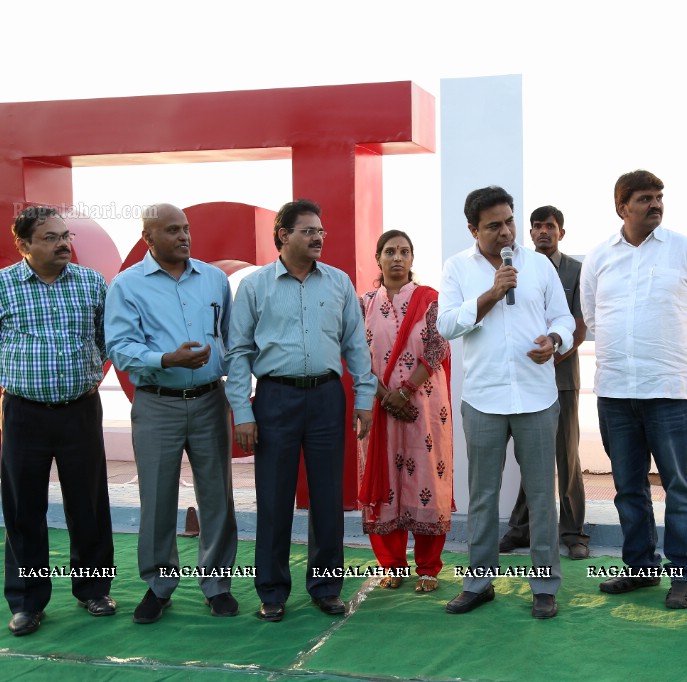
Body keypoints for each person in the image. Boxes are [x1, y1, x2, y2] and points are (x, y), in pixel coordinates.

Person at [226, 199, 374, 622]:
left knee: (328, 498)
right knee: (274, 499)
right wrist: (243, 411)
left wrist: (364, 399)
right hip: (274, 399)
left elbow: (355, 347)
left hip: (328, 398)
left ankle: (326, 588)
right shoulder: (255, 287)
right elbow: (239, 352)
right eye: (308, 230)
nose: (317, 237)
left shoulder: (339, 283)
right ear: (282, 235)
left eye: (321, 231)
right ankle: (272, 592)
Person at [438, 186, 575, 619]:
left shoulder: (537, 265)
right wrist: (490, 295)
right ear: (473, 229)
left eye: (509, 221)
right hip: (483, 397)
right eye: (494, 225)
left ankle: (545, 586)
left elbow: (564, 317)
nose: (506, 233)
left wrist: (554, 340)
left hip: (537, 395)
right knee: (482, 495)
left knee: (540, 495)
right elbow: (445, 325)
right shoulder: (458, 268)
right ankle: (479, 583)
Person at [581, 170, 687, 610]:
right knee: (627, 487)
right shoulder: (600, 258)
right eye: (644, 198)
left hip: (669, 390)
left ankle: (685, 575)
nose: (655, 204)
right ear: (622, 206)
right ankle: (640, 568)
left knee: (679, 485)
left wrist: (665, 349)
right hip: (616, 392)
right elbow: (593, 318)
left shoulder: (684, 250)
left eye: (659, 196)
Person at [106, 203, 238, 624]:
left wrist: (240, 401)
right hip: (156, 401)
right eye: (172, 230)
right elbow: (120, 348)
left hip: (208, 401)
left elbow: (231, 342)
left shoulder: (215, 279)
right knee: (158, 499)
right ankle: (159, 587)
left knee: (217, 496)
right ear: (149, 238)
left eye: (186, 229)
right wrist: (167, 359)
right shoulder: (127, 286)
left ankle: (216, 585)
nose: (184, 236)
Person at [1, 207, 116, 637]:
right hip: (23, 413)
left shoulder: (91, 283)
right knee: (23, 508)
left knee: (87, 503)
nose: (63, 243)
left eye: (65, 235)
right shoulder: (3, 285)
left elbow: (108, 341)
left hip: (80, 411)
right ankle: (28, 602)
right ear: (25, 245)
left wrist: (79, 377)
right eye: (50, 237)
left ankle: (94, 590)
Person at [358, 229, 453, 593]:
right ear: (378, 259)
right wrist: (386, 397)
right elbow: (357, 355)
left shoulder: (430, 300)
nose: (397, 258)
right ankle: (392, 565)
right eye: (390, 251)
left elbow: (436, 349)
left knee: (427, 477)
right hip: (379, 408)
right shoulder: (364, 303)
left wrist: (406, 390)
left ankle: (428, 568)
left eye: (404, 252)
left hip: (425, 407)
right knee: (383, 481)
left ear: (412, 260)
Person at [499, 206, 589, 560]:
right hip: (523, 380)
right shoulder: (517, 267)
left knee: (566, 456)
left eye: (549, 226)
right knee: (531, 459)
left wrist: (552, 354)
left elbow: (579, 327)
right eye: (536, 226)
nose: (542, 232)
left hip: (562, 378)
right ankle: (521, 530)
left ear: (561, 232)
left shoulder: (575, 271)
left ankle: (574, 533)